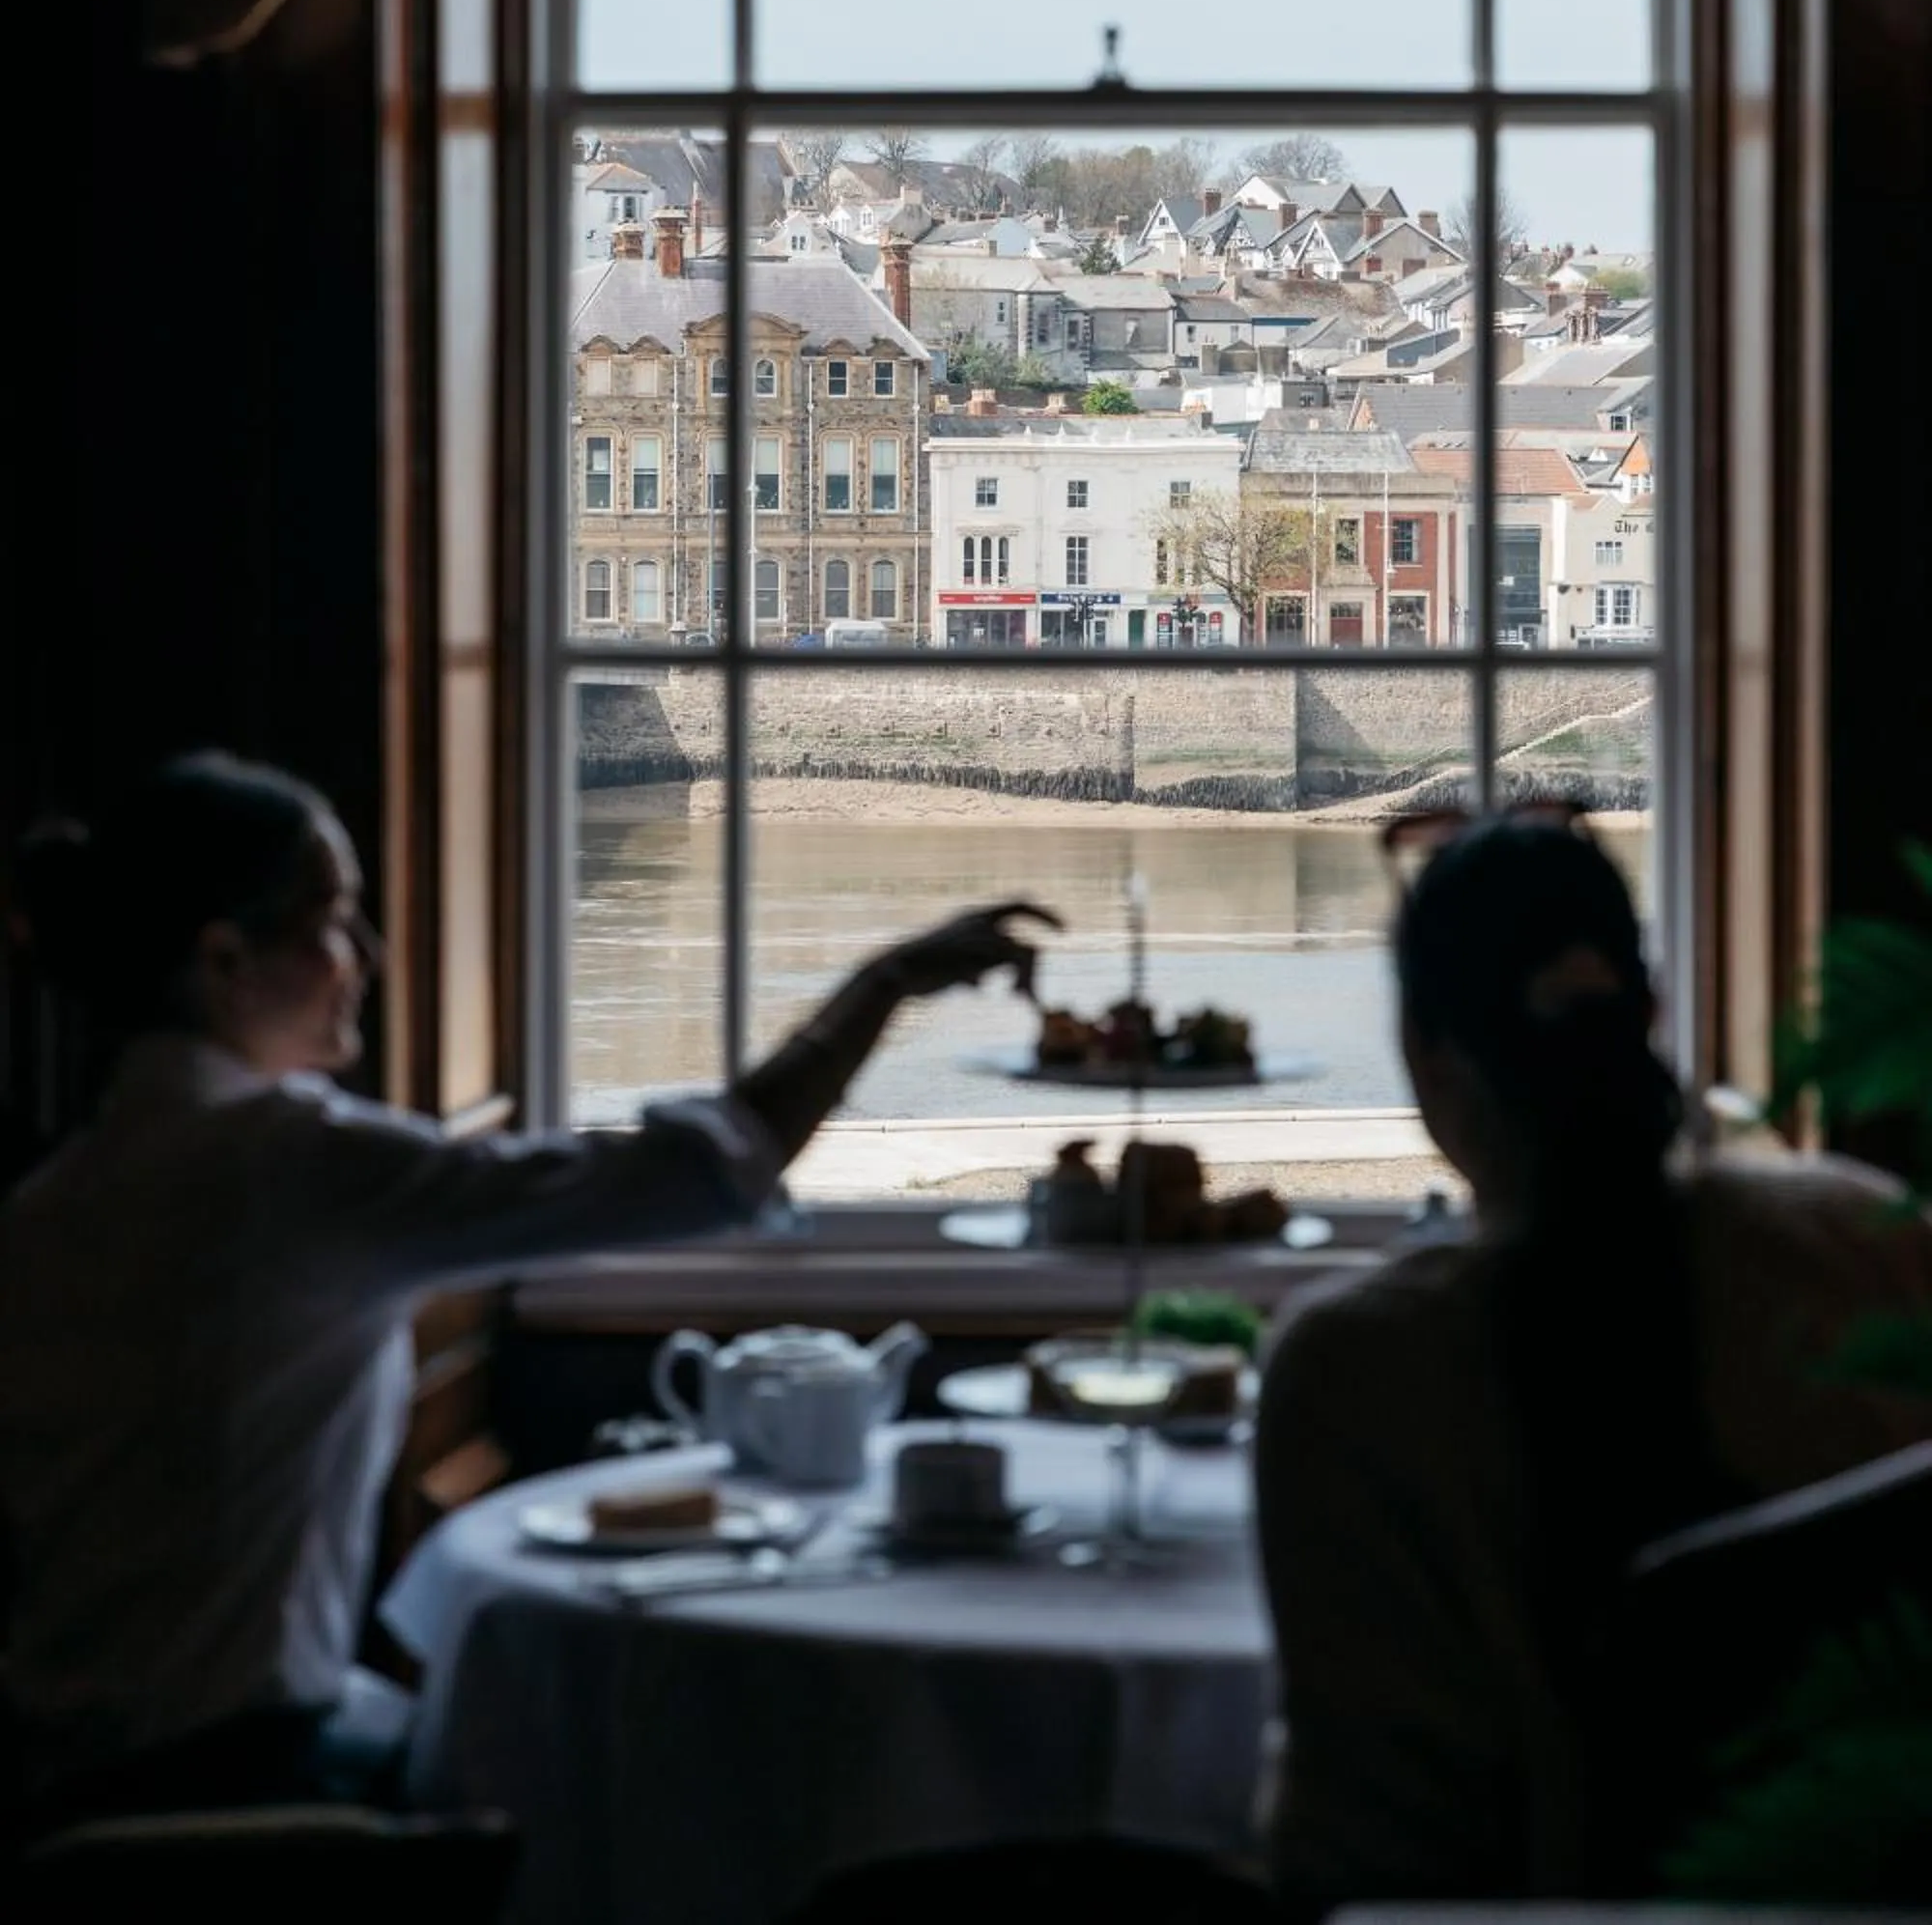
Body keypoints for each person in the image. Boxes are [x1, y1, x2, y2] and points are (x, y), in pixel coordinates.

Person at [0, 751, 1058, 1832]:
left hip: (65, 1767)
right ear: (225, 960)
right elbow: (692, 1176)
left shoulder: (56, 1196)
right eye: (336, 921)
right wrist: (883, 986)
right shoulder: (290, 1171)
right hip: (235, 1775)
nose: (367, 957)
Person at [1253, 807, 1931, 1914]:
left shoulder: (1353, 1376)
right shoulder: (1874, 1246)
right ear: (1649, 1011)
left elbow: (1364, 1862)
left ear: (1427, 1061)